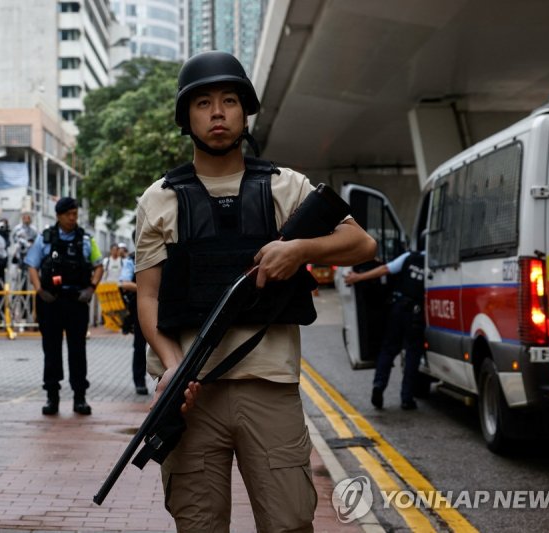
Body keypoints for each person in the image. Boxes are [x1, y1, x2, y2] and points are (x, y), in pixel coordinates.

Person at [134, 51, 376, 531]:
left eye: (229, 101)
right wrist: (170, 362)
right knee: (198, 524)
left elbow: (361, 242)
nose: (218, 112)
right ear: (187, 117)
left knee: (288, 523)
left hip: (270, 390)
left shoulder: (286, 187)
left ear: (245, 113)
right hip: (191, 393)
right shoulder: (158, 199)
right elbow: (148, 298)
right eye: (203, 103)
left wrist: (299, 250)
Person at [25, 197, 104, 415]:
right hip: (51, 301)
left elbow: (99, 266)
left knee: (77, 350)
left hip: (76, 301)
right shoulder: (45, 238)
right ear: (58, 216)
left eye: (75, 214)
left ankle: (80, 398)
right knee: (51, 350)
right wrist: (40, 289)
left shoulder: (86, 240)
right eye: (69, 214)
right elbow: (31, 265)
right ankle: (52, 398)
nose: (73, 218)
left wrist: (91, 288)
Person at [344, 247, 426, 410]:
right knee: (412, 353)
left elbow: (385, 269)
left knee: (388, 349)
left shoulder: (409, 257)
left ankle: (379, 386)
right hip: (417, 313)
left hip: (398, 307)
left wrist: (358, 277)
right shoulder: (433, 261)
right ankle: (406, 398)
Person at [117, 242, 148, 395]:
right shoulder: (133, 259)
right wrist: (148, 288)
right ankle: (139, 381)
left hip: (165, 306)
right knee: (140, 345)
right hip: (141, 306)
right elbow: (125, 284)